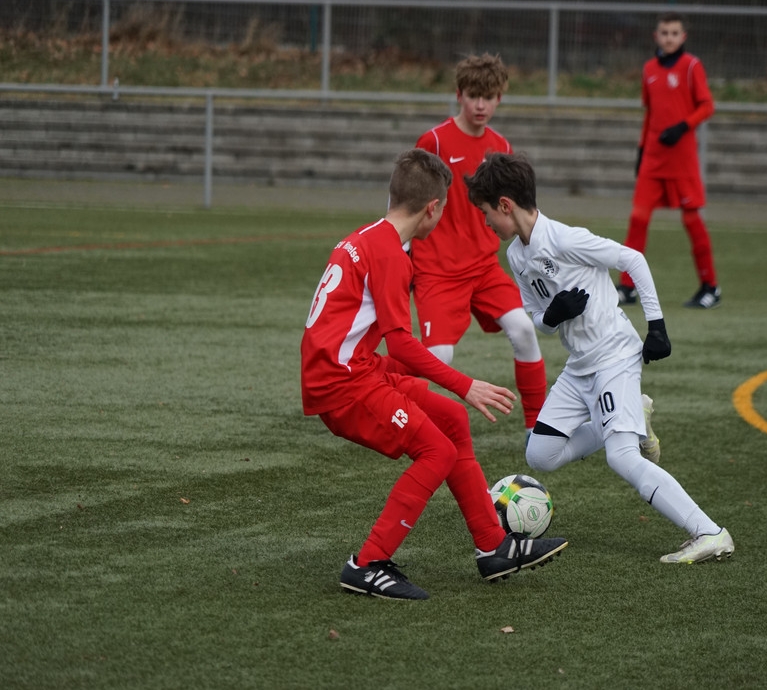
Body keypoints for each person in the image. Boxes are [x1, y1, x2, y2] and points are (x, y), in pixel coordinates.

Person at [300, 149, 567, 600]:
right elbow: (401, 343)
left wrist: (438, 382)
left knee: (451, 420)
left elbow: (377, 345)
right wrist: (466, 385)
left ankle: (493, 546)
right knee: (437, 451)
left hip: (355, 369)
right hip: (342, 384)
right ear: (433, 209)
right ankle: (367, 564)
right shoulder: (390, 254)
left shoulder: (367, 237)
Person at [466, 152, 734, 564]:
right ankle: (632, 415)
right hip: (580, 367)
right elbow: (538, 319)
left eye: (486, 213)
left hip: (615, 356)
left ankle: (709, 532)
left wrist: (657, 326)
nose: (485, 223)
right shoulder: (517, 255)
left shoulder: (565, 239)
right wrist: (552, 316)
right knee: (540, 453)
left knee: (621, 456)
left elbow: (632, 259)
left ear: (505, 205)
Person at [411, 53, 548, 433]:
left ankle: (536, 427)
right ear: (459, 95)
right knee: (439, 356)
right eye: (474, 96)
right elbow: (407, 196)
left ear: (499, 98)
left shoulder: (500, 145)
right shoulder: (434, 140)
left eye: (489, 97)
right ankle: (408, 418)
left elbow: (512, 208)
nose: (481, 105)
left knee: (523, 329)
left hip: (484, 268)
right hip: (437, 270)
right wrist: (400, 250)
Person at [617, 11, 721, 310]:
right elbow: (650, 114)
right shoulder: (649, 68)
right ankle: (627, 287)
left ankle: (710, 287)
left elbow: (707, 106)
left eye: (675, 33)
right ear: (656, 36)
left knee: (691, 220)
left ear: (683, 37)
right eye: (664, 33)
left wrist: (682, 127)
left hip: (682, 159)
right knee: (638, 218)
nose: (669, 38)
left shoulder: (691, 66)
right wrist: (641, 150)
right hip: (653, 157)